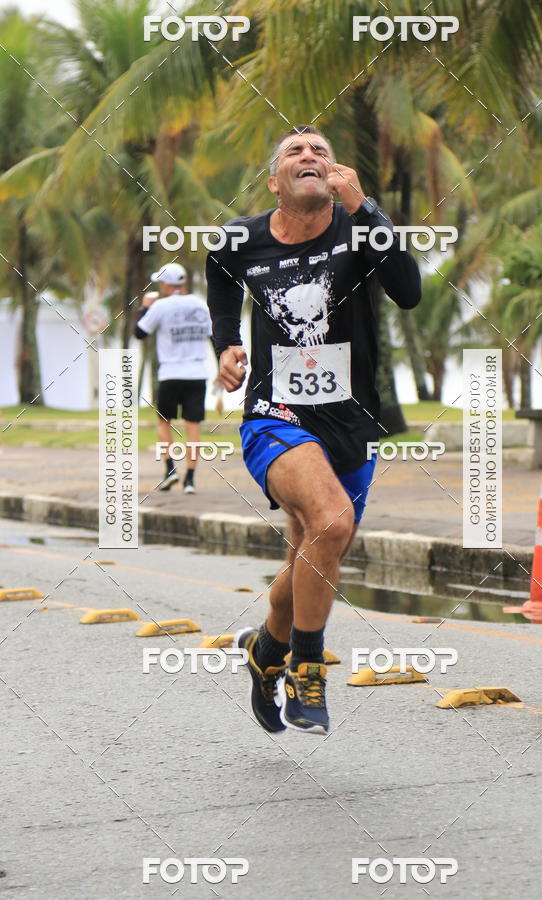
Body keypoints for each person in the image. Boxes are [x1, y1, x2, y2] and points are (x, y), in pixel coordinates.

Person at [206, 126, 421, 734]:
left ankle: (265, 650)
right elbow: (220, 272)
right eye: (295, 152)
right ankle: (306, 669)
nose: (309, 156)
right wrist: (227, 343)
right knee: (331, 522)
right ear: (275, 182)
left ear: (335, 174)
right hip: (276, 415)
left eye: (320, 151)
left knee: (315, 550)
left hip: (350, 420)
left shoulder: (359, 228)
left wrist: (366, 208)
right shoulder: (240, 238)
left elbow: (408, 292)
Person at [135, 262, 212, 494]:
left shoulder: (161, 306)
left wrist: (144, 308)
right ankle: (190, 479)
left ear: (166, 284)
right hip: (197, 373)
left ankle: (170, 470)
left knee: (163, 422)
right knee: (193, 427)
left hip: (170, 373)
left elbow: (139, 332)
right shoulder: (201, 305)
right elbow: (214, 337)